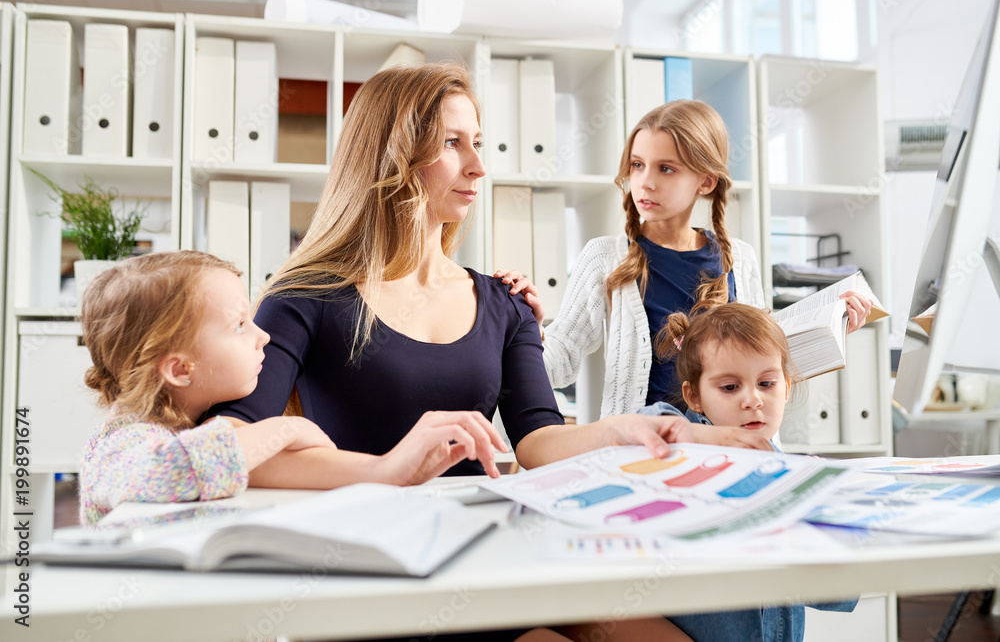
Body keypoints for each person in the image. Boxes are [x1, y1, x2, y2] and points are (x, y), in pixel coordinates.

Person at [210, 62, 767, 642]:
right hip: (377, 575)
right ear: (390, 154)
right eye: (452, 143)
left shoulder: (502, 301)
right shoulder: (307, 296)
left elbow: (536, 439)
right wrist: (385, 471)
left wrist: (622, 432)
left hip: (492, 556)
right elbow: (235, 449)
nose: (478, 165)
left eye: (476, 142)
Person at [497, 100, 873, 423]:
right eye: (637, 165)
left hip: (728, 448)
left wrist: (831, 328)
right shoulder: (604, 257)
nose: (644, 182)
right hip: (643, 452)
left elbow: (765, 367)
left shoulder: (739, 258)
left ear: (706, 181)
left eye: (666, 168)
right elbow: (560, 363)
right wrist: (527, 328)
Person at [634, 302, 857, 641]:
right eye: (729, 387)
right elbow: (642, 426)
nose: (752, 400)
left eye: (767, 383)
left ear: (787, 387)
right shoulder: (682, 448)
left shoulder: (796, 472)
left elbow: (839, 594)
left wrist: (828, 514)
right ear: (694, 396)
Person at [77, 251, 338, 526]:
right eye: (239, 326)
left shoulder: (188, 420)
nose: (263, 336)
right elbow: (171, 470)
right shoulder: (119, 442)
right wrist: (286, 430)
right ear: (179, 370)